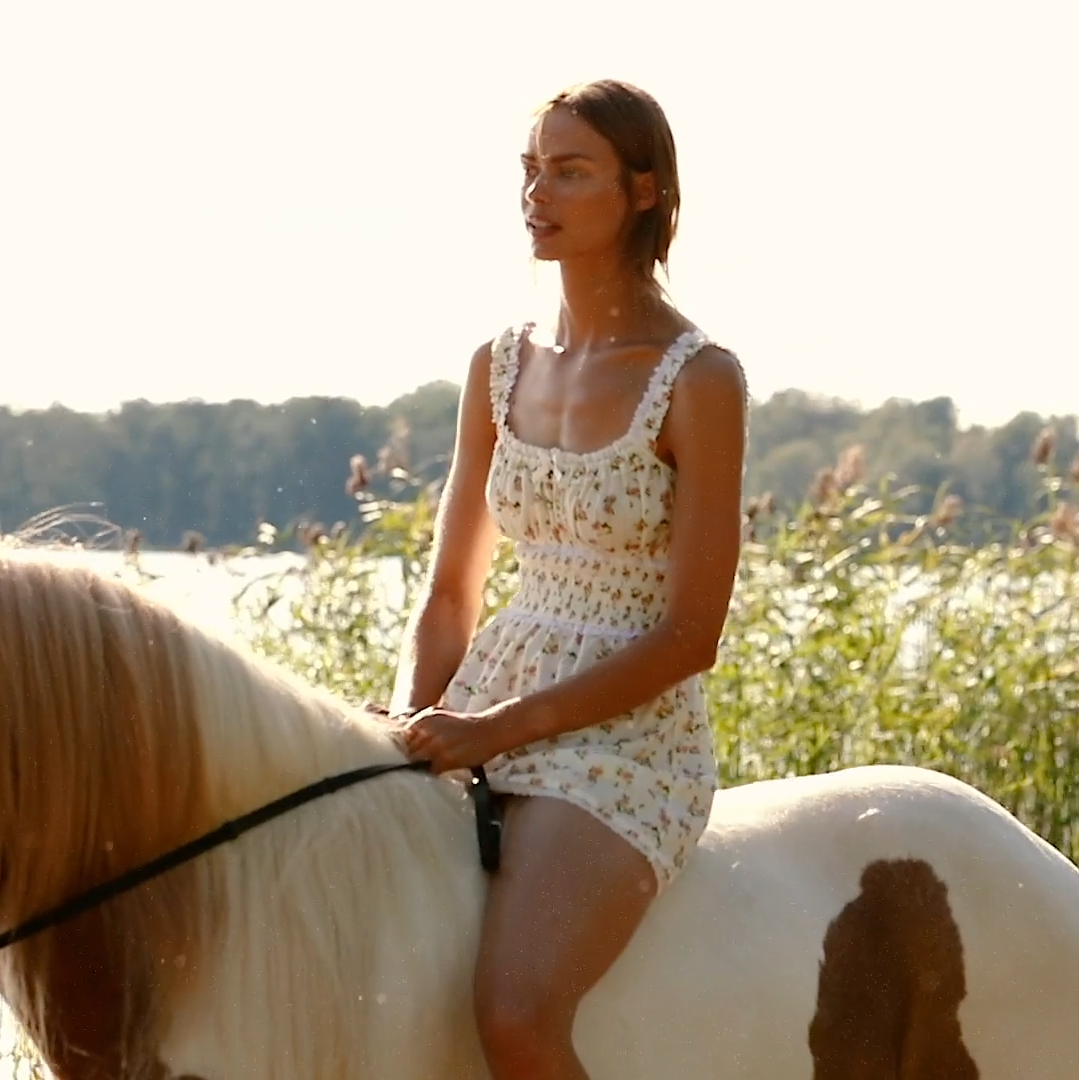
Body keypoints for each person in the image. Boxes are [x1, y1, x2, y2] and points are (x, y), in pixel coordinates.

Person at [386, 79, 749, 1079]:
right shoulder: (498, 364)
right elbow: (451, 594)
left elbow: (691, 638)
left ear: (643, 189)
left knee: (515, 1016)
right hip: (481, 700)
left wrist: (495, 733)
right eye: (531, 169)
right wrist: (409, 718)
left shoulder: (699, 378)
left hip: (625, 742)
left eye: (570, 172)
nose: (537, 193)